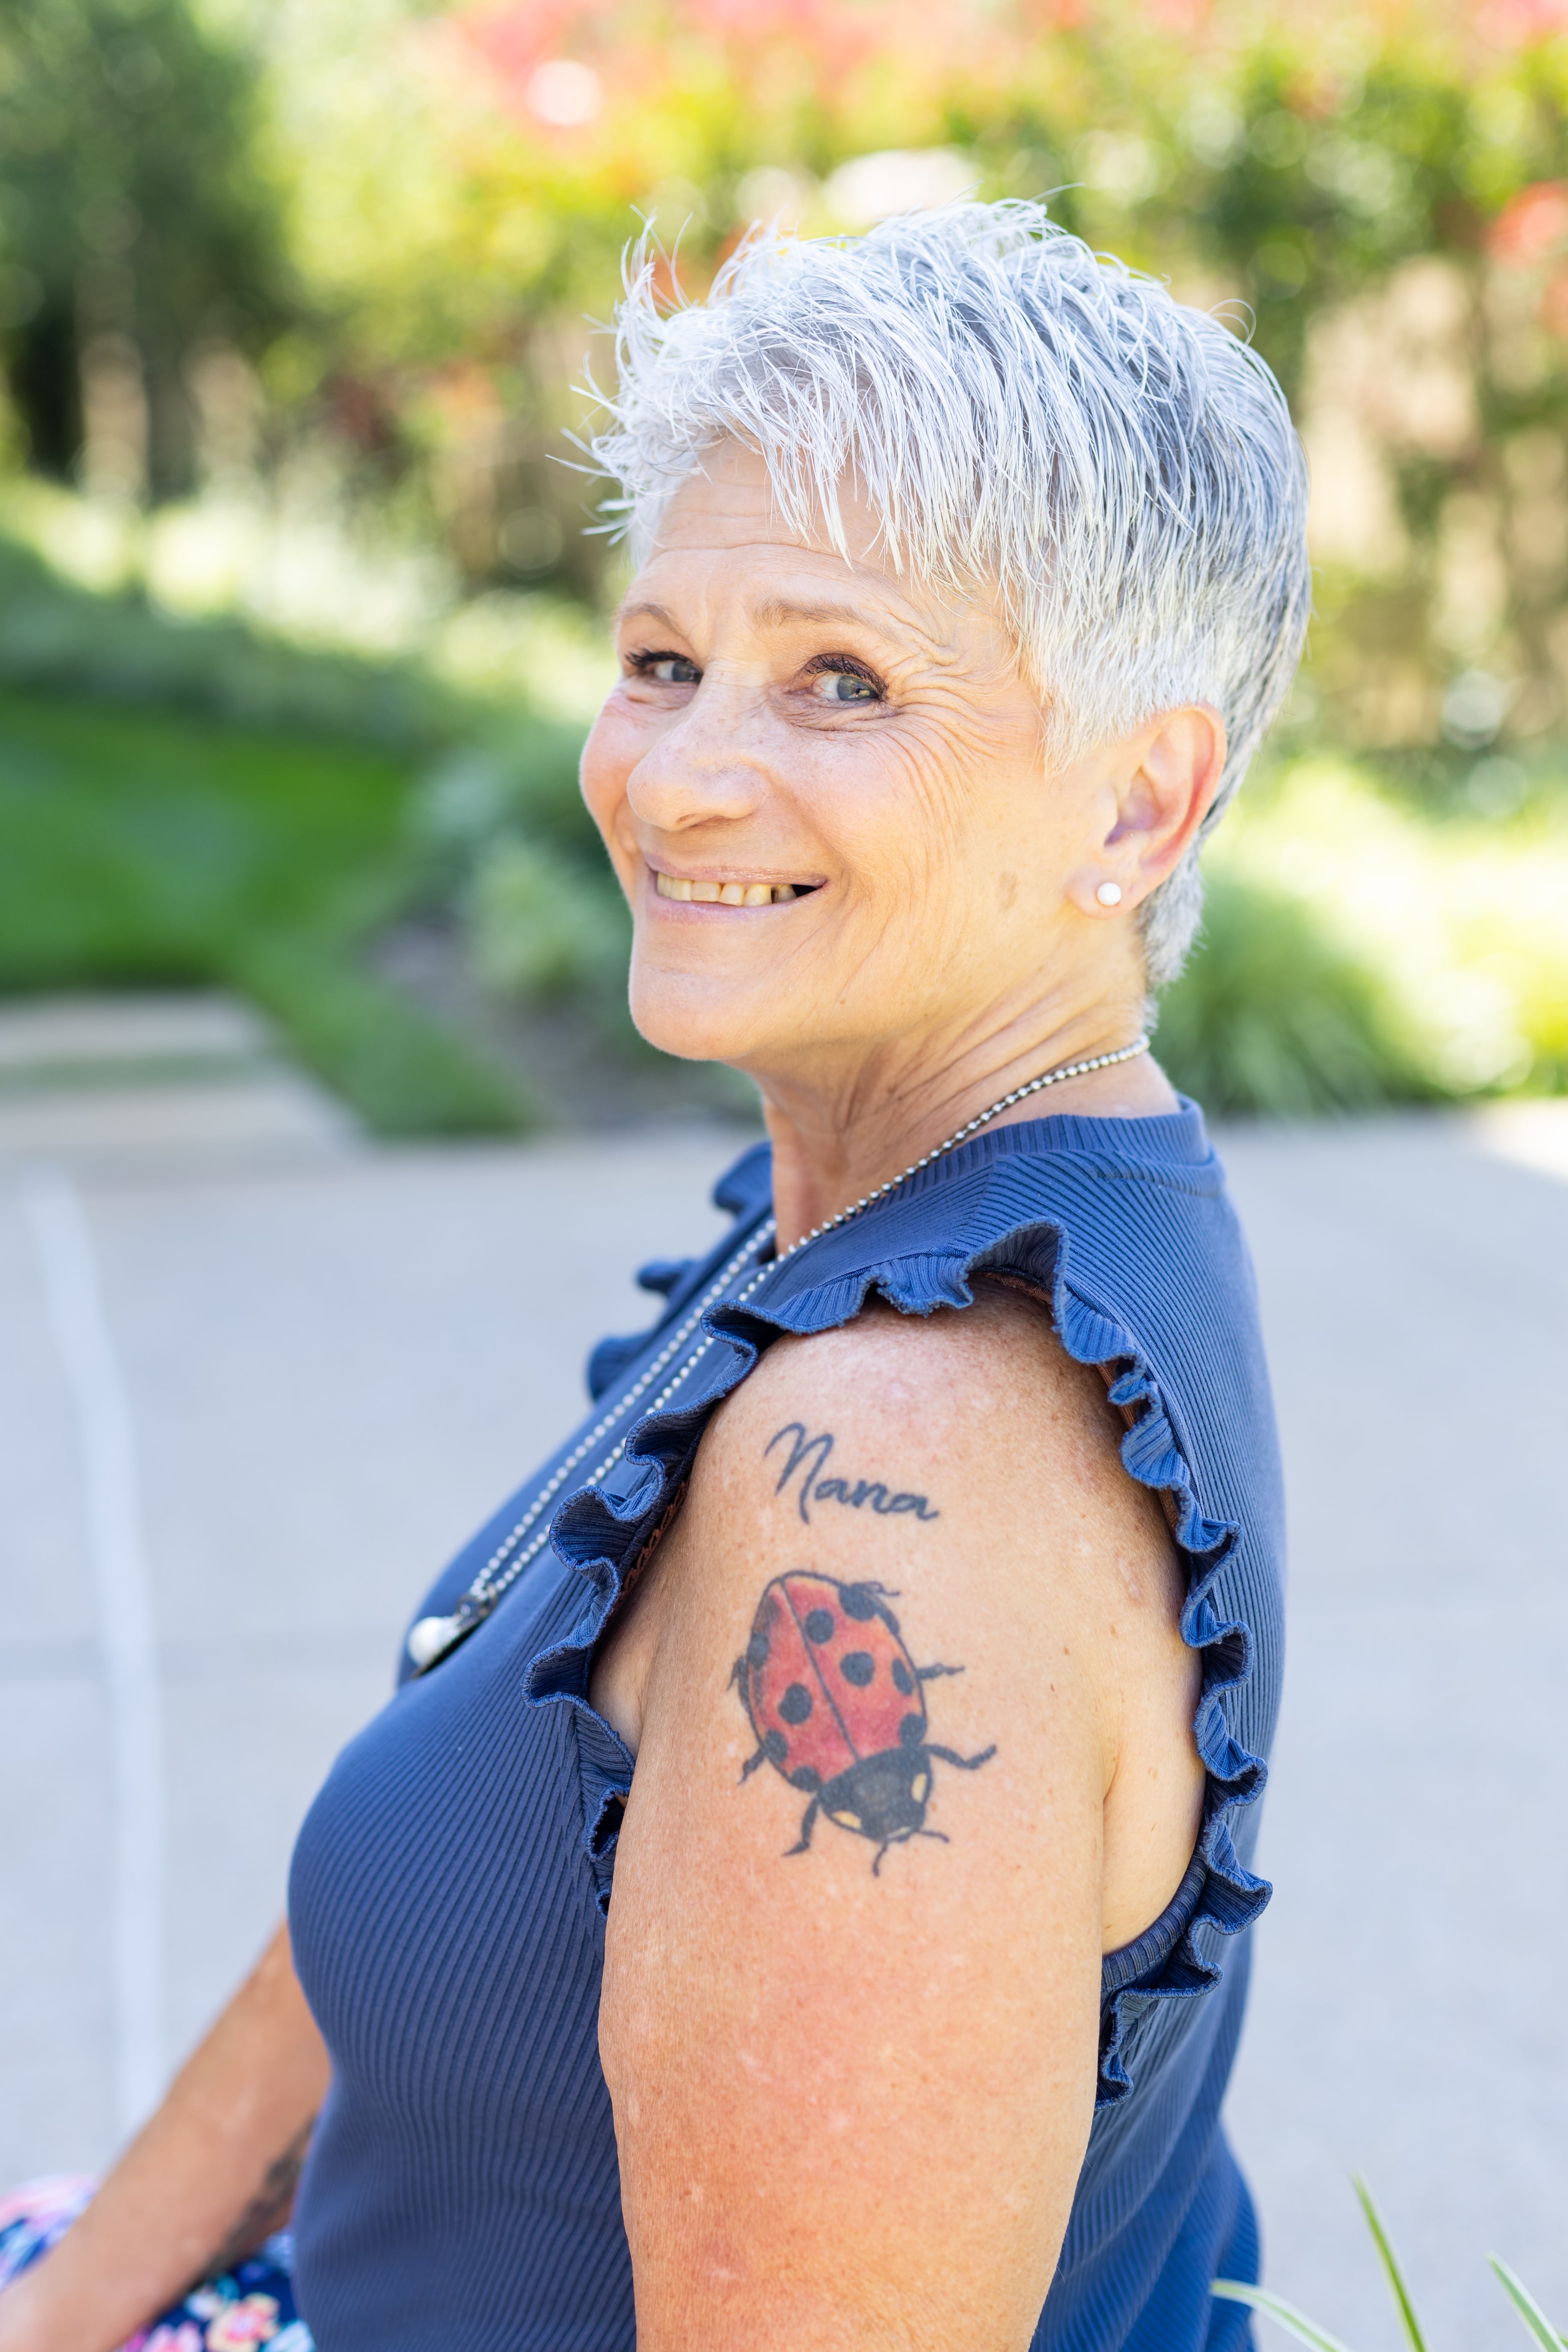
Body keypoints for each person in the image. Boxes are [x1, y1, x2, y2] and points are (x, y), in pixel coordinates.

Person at [0, 200, 1309, 2352]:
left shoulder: (898, 1471)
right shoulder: (885, 1206)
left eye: (841, 679)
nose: (682, 777)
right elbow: (415, 1866)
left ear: (1138, 802)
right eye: (659, 657)